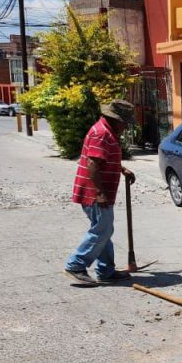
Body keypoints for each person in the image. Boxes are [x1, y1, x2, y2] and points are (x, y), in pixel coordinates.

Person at [64, 99, 136, 286]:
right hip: (94, 192)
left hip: (98, 191)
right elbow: (93, 165)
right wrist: (100, 193)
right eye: (126, 123)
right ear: (117, 120)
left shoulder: (105, 131)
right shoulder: (102, 134)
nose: (126, 127)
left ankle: (106, 270)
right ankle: (76, 265)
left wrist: (121, 168)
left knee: (104, 230)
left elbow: (102, 158)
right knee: (102, 230)